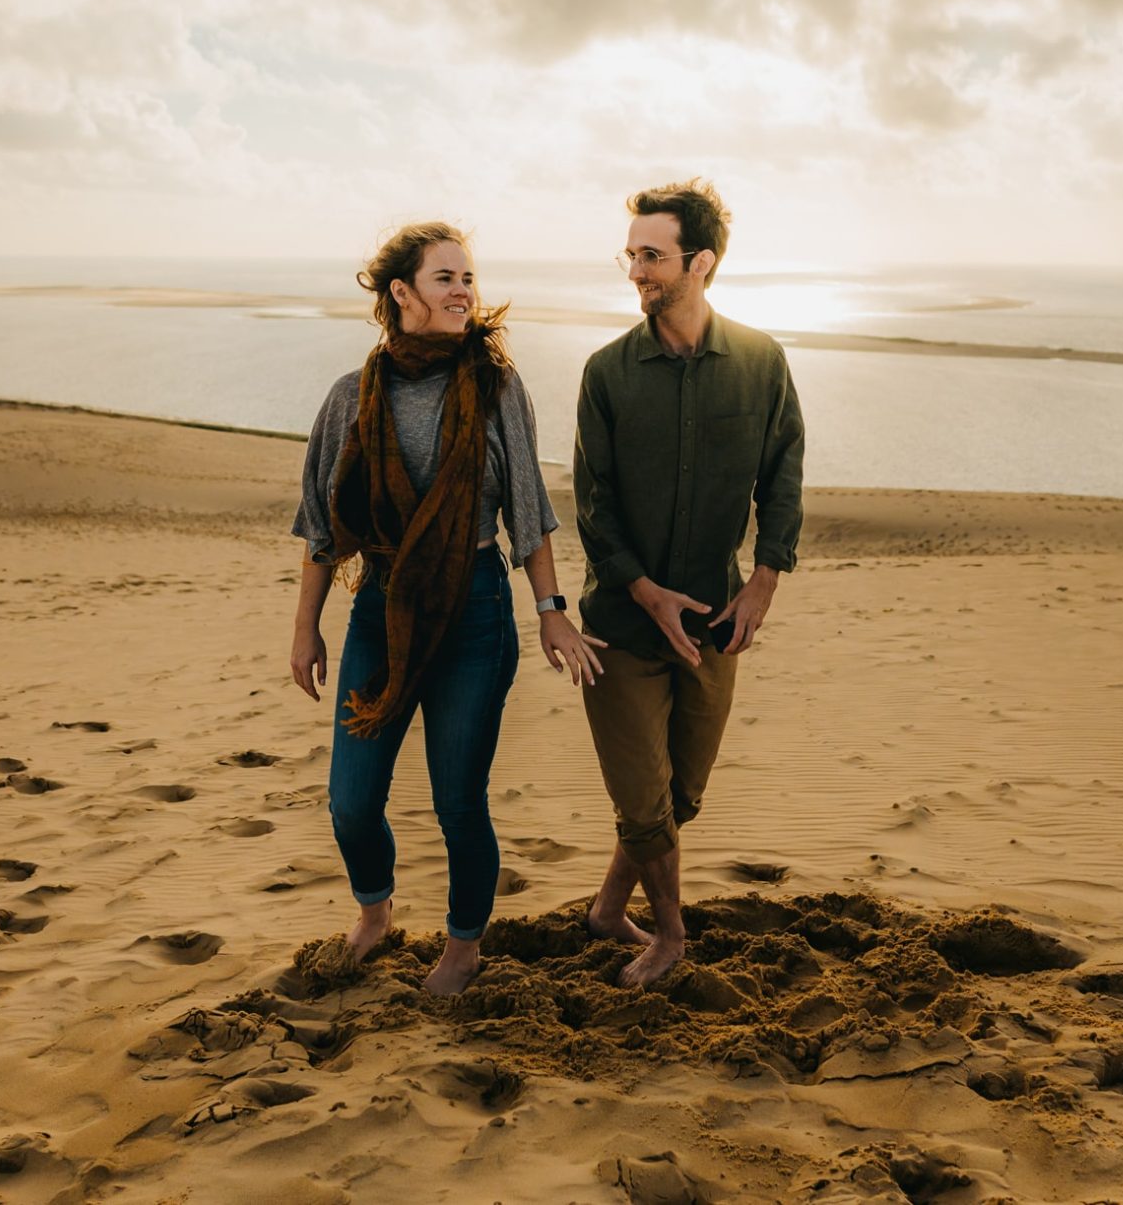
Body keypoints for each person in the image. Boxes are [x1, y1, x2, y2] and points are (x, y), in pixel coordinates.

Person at [289, 222, 605, 996]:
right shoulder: (349, 399)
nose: (464, 290)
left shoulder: (496, 389)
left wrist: (551, 609)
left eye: (468, 276)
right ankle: (376, 911)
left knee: (458, 797)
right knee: (352, 800)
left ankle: (464, 946)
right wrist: (306, 627)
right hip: (382, 608)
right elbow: (323, 527)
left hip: (476, 611)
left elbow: (527, 512)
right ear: (401, 293)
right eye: (445, 278)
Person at [572, 178, 805, 987]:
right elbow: (592, 506)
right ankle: (668, 937)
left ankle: (606, 910)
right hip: (621, 628)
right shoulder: (606, 373)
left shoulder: (762, 363)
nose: (635, 270)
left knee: (681, 798)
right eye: (631, 254)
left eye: (651, 255)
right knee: (643, 803)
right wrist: (644, 591)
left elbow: (782, 477)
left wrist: (764, 583)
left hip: (715, 623)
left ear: (699, 262)